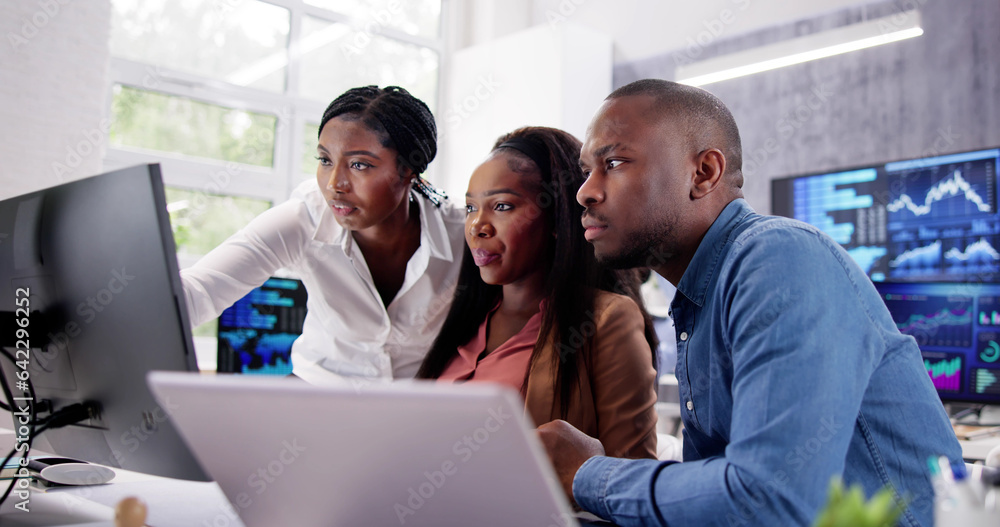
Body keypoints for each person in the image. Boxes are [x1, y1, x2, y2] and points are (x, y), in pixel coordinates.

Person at [537, 79, 964, 526]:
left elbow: (769, 499)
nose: (585, 191)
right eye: (587, 171)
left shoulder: (778, 256)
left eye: (615, 162)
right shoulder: (698, 301)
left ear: (704, 173)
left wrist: (585, 474)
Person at [181, 86, 465, 383]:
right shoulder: (302, 220)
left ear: (408, 170)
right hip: (315, 393)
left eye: (359, 165)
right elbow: (200, 291)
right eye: (325, 160)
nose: (334, 184)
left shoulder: (464, 232)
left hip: (416, 410)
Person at [416, 126, 660, 459]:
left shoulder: (605, 319)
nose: (477, 227)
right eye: (471, 208)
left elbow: (632, 476)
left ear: (558, 220)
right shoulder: (462, 316)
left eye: (502, 207)